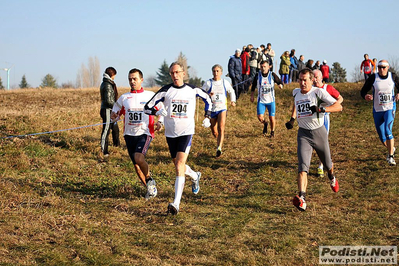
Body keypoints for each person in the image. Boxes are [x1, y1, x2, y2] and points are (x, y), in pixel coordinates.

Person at [144, 62, 213, 215]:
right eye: (172, 73)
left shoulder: (192, 89)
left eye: (177, 72)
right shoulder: (165, 91)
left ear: (183, 73)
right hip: (170, 134)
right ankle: (195, 175)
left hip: (186, 132)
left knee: (179, 164)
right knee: (178, 165)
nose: (175, 76)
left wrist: (207, 116)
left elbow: (208, 99)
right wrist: (157, 111)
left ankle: (176, 203)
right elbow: (147, 107)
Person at [285, 68, 342, 211]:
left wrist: (323, 110)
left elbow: (338, 106)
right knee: (303, 167)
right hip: (303, 134)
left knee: (328, 164)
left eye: (305, 80)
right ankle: (302, 198)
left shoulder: (318, 93)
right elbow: (296, 103)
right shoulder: (296, 92)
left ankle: (332, 177)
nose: (302, 83)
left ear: (312, 80)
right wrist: (292, 119)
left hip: (319, 132)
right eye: (300, 80)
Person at [111, 68, 163, 199]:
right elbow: (116, 114)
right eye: (130, 79)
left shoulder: (149, 96)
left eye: (135, 79)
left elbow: (161, 109)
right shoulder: (124, 98)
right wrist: (114, 116)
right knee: (136, 165)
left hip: (145, 132)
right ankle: (150, 190)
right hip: (129, 134)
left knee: (139, 158)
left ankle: (150, 180)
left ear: (141, 80)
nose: (132, 81)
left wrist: (160, 122)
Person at [360, 60, 399, 166]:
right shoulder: (374, 78)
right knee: (382, 137)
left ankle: (390, 157)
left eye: (383, 67)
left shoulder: (393, 76)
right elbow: (363, 91)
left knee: (388, 130)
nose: (381, 69)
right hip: (377, 110)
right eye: (379, 67)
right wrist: (365, 96)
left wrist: (398, 94)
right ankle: (391, 149)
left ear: (388, 67)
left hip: (389, 108)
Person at [313, 69, 344, 177]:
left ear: (321, 78)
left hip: (324, 117)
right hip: (312, 118)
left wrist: (330, 108)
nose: (314, 79)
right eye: (313, 77)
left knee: (322, 141)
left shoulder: (328, 88)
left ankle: (321, 166)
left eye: (316, 77)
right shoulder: (310, 89)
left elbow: (340, 98)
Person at [202, 64, 236, 157]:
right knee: (214, 130)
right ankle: (218, 140)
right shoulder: (208, 83)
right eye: (214, 71)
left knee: (221, 127)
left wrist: (233, 101)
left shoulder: (225, 82)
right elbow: (201, 93)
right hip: (212, 109)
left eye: (217, 71)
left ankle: (219, 148)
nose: (216, 73)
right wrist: (208, 94)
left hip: (222, 108)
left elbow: (231, 91)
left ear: (221, 72)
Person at [250, 61, 283, 137]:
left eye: (265, 66)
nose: (263, 68)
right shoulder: (257, 75)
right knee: (260, 117)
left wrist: (280, 85)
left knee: (271, 117)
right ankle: (265, 123)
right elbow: (253, 86)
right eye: (262, 67)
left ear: (268, 67)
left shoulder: (272, 75)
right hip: (261, 100)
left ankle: (272, 132)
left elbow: (279, 82)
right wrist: (252, 96)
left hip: (271, 101)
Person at [100, 67, 120, 157]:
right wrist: (117, 106)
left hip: (111, 110)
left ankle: (117, 145)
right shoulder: (107, 84)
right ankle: (104, 151)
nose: (115, 77)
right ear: (112, 74)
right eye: (114, 75)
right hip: (107, 110)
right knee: (106, 130)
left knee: (115, 128)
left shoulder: (109, 83)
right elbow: (108, 101)